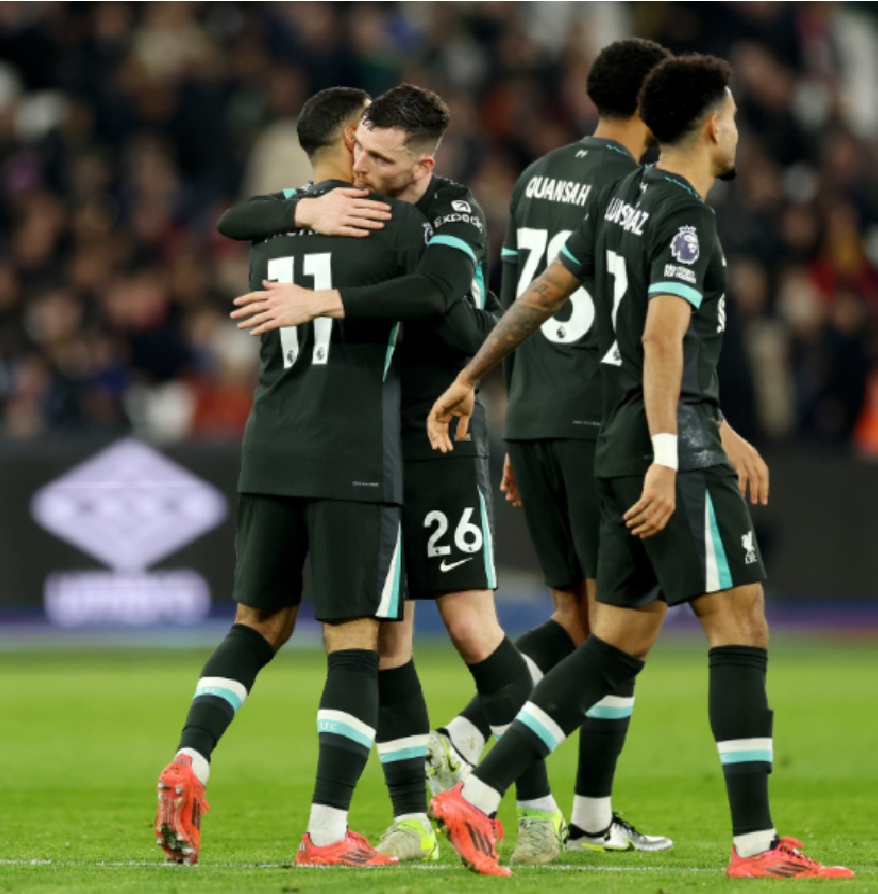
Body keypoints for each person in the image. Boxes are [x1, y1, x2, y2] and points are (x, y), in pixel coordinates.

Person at [424, 55, 855, 880]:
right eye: (732, 116)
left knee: (615, 642)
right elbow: (662, 339)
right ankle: (758, 849)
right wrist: (672, 457)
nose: (737, 129)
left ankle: (475, 793)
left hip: (616, 442)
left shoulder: (619, 197)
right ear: (712, 125)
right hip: (668, 448)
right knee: (742, 625)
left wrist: (473, 374)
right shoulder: (688, 220)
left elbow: (543, 291)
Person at [225, 84, 563, 865]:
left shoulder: (450, 211)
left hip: (440, 438)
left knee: (474, 627)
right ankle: (412, 819)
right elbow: (239, 218)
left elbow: (441, 297)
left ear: (422, 163)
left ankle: (535, 808)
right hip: (367, 448)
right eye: (360, 150)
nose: (362, 167)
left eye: (380, 158)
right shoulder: (349, 205)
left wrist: (326, 301)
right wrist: (302, 213)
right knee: (386, 643)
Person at [153, 85, 432, 869]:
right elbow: (442, 300)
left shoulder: (273, 232)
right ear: (353, 140)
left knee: (258, 625)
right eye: (374, 130)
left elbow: (235, 217)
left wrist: (299, 211)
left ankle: (190, 759)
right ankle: (326, 831)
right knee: (355, 640)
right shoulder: (392, 222)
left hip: (269, 448)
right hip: (352, 460)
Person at [428, 38, 677, 856]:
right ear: (653, 106)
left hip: (532, 414)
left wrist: (514, 414)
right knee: (618, 628)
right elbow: (636, 318)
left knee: (574, 617)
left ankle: (469, 736)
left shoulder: (537, 175)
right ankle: (580, 811)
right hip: (600, 418)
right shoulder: (641, 187)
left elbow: (521, 298)